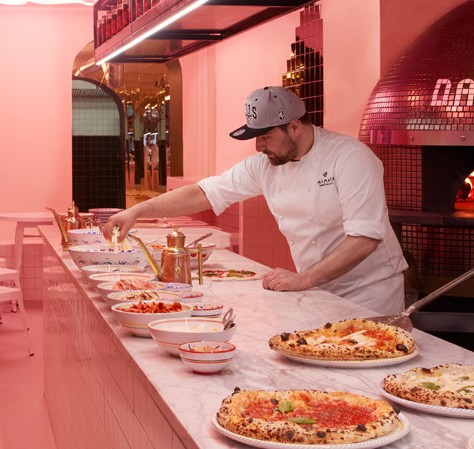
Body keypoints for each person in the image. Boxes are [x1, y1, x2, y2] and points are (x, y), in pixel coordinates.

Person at [103, 86, 408, 314]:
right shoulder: (266, 164)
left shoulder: (350, 158)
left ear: (295, 126)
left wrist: (303, 279)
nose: (259, 146)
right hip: (316, 289)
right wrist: (137, 211)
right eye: (255, 137)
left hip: (369, 295)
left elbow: (365, 238)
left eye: (265, 136)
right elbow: (204, 193)